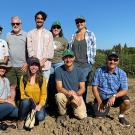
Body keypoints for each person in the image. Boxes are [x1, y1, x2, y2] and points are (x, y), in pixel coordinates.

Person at [92, 52, 130, 126]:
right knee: (98, 118)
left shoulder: (122, 73)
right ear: (107, 60)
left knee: (126, 101)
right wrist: (99, 102)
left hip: (114, 98)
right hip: (102, 98)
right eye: (110, 59)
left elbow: (125, 90)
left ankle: (121, 116)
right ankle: (102, 109)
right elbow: (94, 87)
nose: (112, 61)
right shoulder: (99, 71)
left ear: (118, 61)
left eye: (115, 60)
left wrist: (114, 96)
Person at [68, 16, 96, 103]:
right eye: (77, 22)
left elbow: (93, 49)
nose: (79, 23)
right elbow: (69, 50)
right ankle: (73, 104)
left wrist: (90, 63)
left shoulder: (91, 34)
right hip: (74, 64)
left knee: (82, 85)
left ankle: (82, 104)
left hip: (85, 65)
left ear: (85, 23)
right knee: (73, 84)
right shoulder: (73, 35)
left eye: (81, 21)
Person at [55, 49, 87, 120]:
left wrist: (76, 94)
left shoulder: (80, 71)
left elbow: (82, 88)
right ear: (63, 59)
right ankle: (63, 113)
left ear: (74, 58)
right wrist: (71, 94)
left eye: (70, 57)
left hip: (77, 95)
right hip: (65, 95)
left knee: (82, 116)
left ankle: (72, 110)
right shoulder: (58, 70)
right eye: (66, 57)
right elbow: (59, 88)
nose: (68, 60)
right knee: (59, 96)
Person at [17, 57, 47, 130]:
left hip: (37, 104)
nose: (34, 67)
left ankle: (30, 114)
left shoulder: (42, 79)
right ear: (28, 66)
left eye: (36, 65)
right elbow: (22, 94)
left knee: (40, 117)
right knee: (25, 102)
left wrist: (39, 105)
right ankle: (20, 120)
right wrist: (30, 100)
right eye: (32, 65)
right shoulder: (23, 78)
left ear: (38, 67)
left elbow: (44, 95)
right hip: (27, 102)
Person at [27, 11, 54, 86]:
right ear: (35, 19)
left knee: (43, 88)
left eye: (42, 18)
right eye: (38, 18)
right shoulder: (30, 33)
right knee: (33, 86)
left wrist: (43, 60)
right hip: (33, 65)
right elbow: (29, 48)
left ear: (44, 20)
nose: (39, 20)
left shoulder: (49, 33)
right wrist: (37, 62)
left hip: (45, 65)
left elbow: (50, 49)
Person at [47, 21, 68, 110]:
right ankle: (51, 103)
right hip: (49, 63)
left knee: (59, 84)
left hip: (60, 63)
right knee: (50, 84)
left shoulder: (64, 40)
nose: (56, 29)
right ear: (51, 29)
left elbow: (66, 53)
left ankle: (60, 104)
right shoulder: (47, 37)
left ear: (60, 29)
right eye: (54, 27)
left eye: (58, 27)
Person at [6, 16, 27, 102]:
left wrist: (27, 63)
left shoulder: (26, 35)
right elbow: (5, 50)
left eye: (17, 23)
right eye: (13, 23)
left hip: (22, 66)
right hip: (10, 66)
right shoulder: (8, 35)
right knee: (12, 87)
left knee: (24, 88)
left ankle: (25, 108)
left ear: (20, 24)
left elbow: (30, 50)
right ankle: (11, 107)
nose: (15, 25)